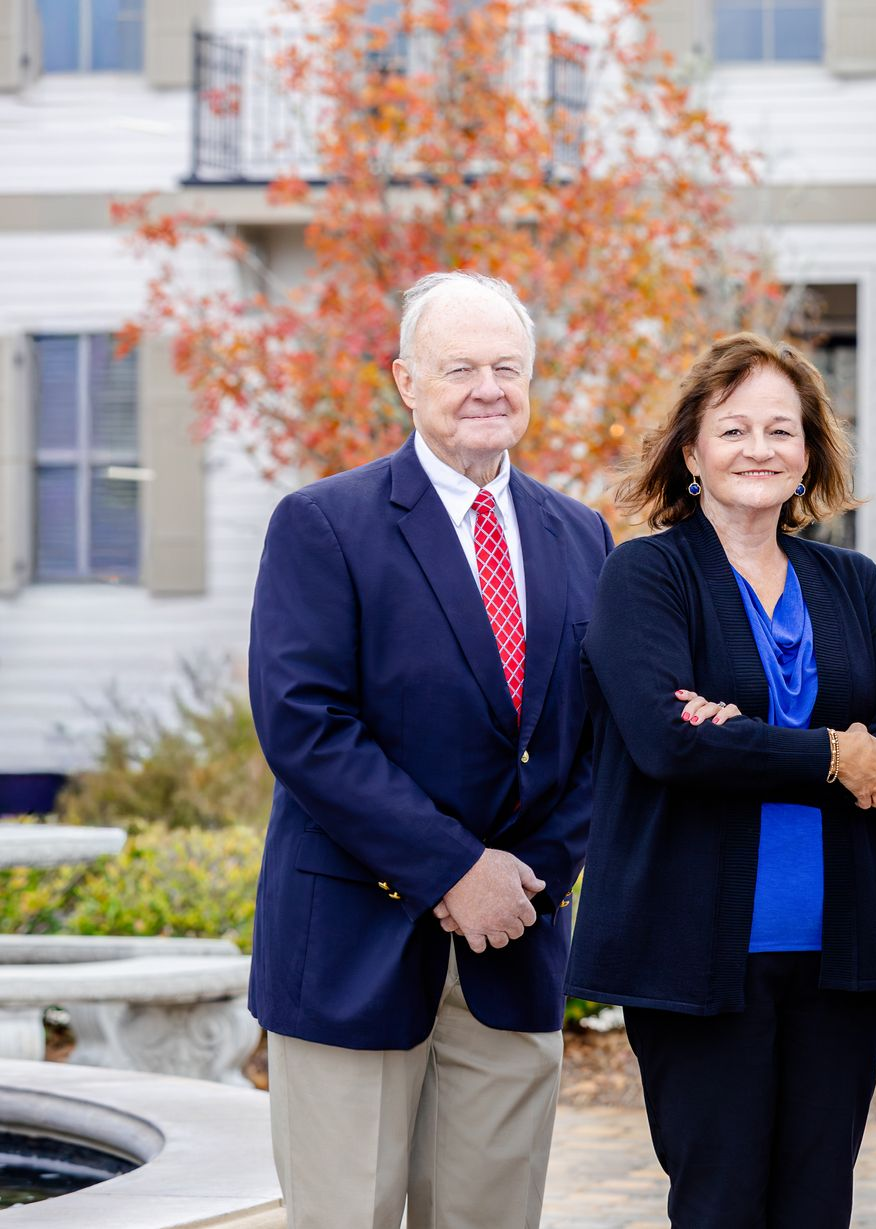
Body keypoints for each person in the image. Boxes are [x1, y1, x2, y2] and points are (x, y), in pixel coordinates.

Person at [247, 271, 612, 1229]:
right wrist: (456, 870)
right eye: (460, 367)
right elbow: (305, 726)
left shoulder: (581, 535)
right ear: (405, 380)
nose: (487, 387)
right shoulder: (324, 523)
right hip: (353, 950)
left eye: (507, 366)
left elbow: (595, 740)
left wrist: (526, 878)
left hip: (513, 943)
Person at [566, 332, 876, 1229]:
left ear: (808, 454)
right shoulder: (644, 573)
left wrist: (741, 734)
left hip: (836, 958)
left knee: (815, 1207)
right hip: (693, 954)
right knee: (720, 1205)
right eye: (733, 429)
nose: (758, 449)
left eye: (781, 429)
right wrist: (829, 755)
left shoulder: (851, 580)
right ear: (691, 451)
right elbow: (665, 740)